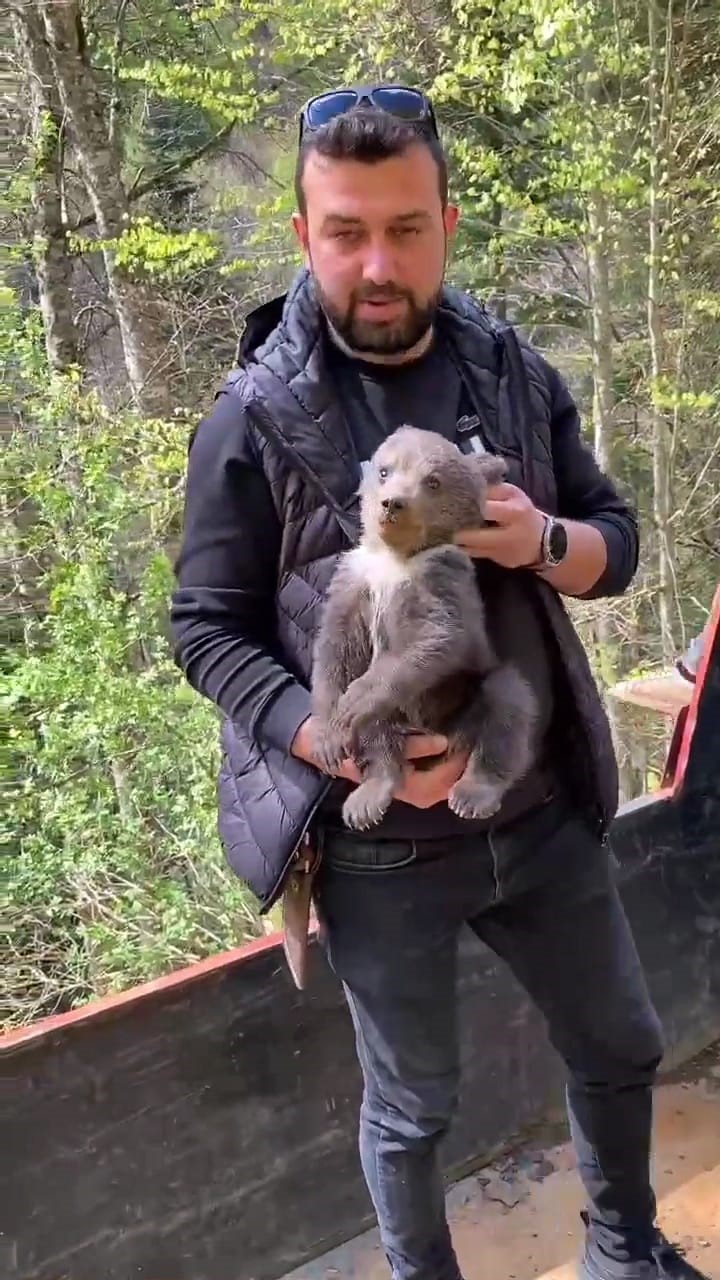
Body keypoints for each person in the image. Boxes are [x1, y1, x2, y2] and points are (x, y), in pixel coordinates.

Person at [170, 86, 707, 1280]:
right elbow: (205, 632)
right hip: (377, 840)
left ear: (446, 227)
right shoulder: (251, 421)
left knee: (620, 1041)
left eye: (404, 228)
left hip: (541, 796)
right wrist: (333, 739)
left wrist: (543, 542)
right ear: (306, 235)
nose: (376, 262)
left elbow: (615, 543)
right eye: (347, 230)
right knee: (414, 1108)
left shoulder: (512, 369)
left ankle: (627, 1249)